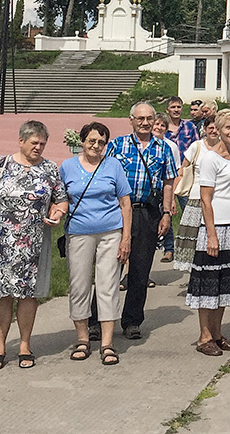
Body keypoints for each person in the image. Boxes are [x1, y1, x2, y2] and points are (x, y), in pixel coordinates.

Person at [0, 121, 67, 370]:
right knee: (1, 295)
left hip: (34, 246)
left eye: (42, 144)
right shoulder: (1, 166)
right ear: (21, 141)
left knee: (28, 296)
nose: (38, 147)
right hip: (2, 245)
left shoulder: (49, 169)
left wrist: (57, 213)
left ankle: (25, 345)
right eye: (34, 142)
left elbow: (61, 200)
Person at [59, 122, 132, 365]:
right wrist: (55, 214)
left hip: (110, 232)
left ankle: (107, 343)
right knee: (79, 284)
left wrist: (126, 237)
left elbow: (125, 203)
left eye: (101, 142)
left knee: (107, 285)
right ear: (81, 141)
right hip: (79, 233)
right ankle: (82, 339)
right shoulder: (67, 167)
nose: (96, 146)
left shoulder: (113, 165)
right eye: (91, 141)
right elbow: (61, 200)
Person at [106, 101, 177, 340]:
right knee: (109, 268)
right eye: (140, 119)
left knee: (140, 268)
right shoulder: (117, 145)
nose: (145, 123)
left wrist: (166, 213)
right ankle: (98, 319)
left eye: (149, 119)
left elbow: (168, 182)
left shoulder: (163, 148)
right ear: (131, 120)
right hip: (118, 212)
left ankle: (132, 320)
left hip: (147, 212)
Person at [187, 108, 230, 357]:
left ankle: (217, 333)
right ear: (218, 130)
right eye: (228, 128)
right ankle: (204, 336)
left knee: (225, 284)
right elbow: (205, 199)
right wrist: (211, 234)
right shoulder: (210, 159)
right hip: (215, 227)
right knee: (208, 284)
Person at [174, 116, 220, 273]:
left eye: (217, 128)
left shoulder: (225, 147)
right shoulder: (197, 146)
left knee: (214, 235)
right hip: (196, 197)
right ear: (205, 129)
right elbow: (182, 170)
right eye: (210, 128)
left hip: (218, 199)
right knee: (194, 236)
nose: (213, 131)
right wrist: (174, 197)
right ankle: (195, 271)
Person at [153, 112, 181, 264]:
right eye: (156, 124)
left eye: (162, 125)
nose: (159, 127)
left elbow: (175, 173)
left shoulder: (171, 147)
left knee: (166, 218)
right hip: (151, 191)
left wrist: (172, 198)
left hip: (165, 189)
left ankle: (169, 249)